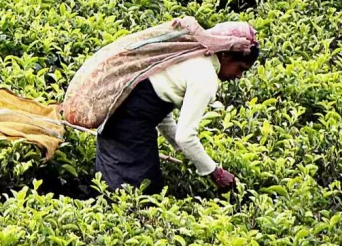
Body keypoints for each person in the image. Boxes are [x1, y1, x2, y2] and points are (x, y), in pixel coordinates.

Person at [62, 17, 259, 194]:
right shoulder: (205, 76)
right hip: (128, 126)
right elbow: (186, 136)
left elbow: (161, 113)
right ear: (225, 55)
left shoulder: (190, 57)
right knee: (138, 193)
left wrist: (186, 154)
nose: (238, 76)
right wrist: (215, 172)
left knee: (115, 188)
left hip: (118, 120)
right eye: (240, 68)